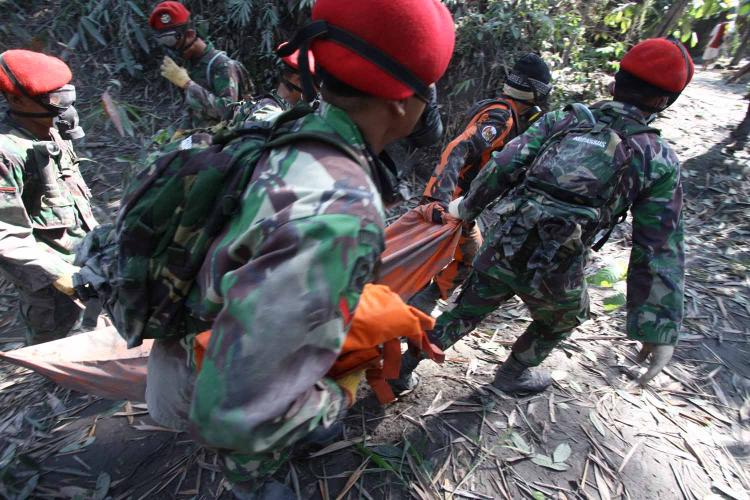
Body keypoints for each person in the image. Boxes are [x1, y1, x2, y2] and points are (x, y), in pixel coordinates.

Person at [143, 0, 455, 496]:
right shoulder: (337, 211)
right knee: (268, 451)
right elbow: (233, 411)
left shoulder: (285, 131)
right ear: (403, 102)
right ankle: (255, 481)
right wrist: (339, 395)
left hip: (196, 336)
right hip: (206, 370)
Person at [398, 38, 692, 394]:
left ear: (615, 82)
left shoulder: (563, 120)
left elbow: (502, 166)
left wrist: (467, 208)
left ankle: (401, 368)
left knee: (465, 312)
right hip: (559, 263)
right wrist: (656, 328)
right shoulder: (656, 158)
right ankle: (515, 372)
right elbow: (659, 246)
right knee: (566, 316)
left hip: (507, 241)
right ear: (664, 101)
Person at [409, 54, 553, 316]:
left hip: (462, 200)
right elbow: (458, 148)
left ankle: (418, 299)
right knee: (461, 254)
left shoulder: (504, 112)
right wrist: (438, 198)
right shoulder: (502, 118)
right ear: (535, 92)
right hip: (454, 199)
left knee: (449, 254)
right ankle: (418, 300)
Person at [0, 50, 98, 345]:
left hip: (85, 261)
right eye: (55, 101)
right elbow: (6, 233)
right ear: (17, 100)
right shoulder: (8, 152)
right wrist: (58, 274)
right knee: (60, 353)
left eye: (67, 97)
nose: (65, 109)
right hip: (49, 287)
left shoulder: (50, 131)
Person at [148, 1, 251, 129]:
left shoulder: (222, 65)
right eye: (163, 41)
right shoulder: (191, 65)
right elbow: (194, 110)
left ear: (190, 35)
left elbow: (229, 112)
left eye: (170, 40)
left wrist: (188, 85)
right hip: (203, 138)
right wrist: (181, 131)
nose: (170, 47)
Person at [229, 42, 315, 127]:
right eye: (316, 83)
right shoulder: (269, 110)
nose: (318, 90)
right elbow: (259, 121)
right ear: (299, 80)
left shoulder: (284, 107)